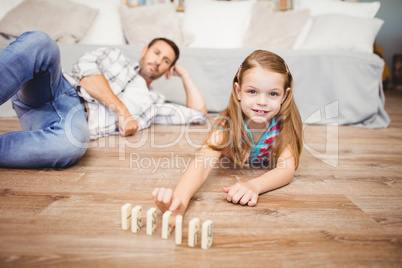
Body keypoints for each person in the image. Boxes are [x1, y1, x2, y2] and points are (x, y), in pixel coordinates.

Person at [0, 31, 207, 168]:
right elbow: (85, 72)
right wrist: (122, 112)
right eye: (156, 52)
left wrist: (185, 75)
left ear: (168, 69)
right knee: (41, 42)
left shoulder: (154, 104)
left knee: (73, 143)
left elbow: (199, 114)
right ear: (144, 51)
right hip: (57, 88)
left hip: (71, 122)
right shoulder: (114, 56)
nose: (158, 61)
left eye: (166, 61)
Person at [152, 50, 303, 226]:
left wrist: (254, 186)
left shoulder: (284, 124)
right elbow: (201, 165)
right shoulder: (226, 125)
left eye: (273, 94)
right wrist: (179, 202)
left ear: (284, 95)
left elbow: (286, 169)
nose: (262, 101)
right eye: (252, 91)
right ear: (238, 91)